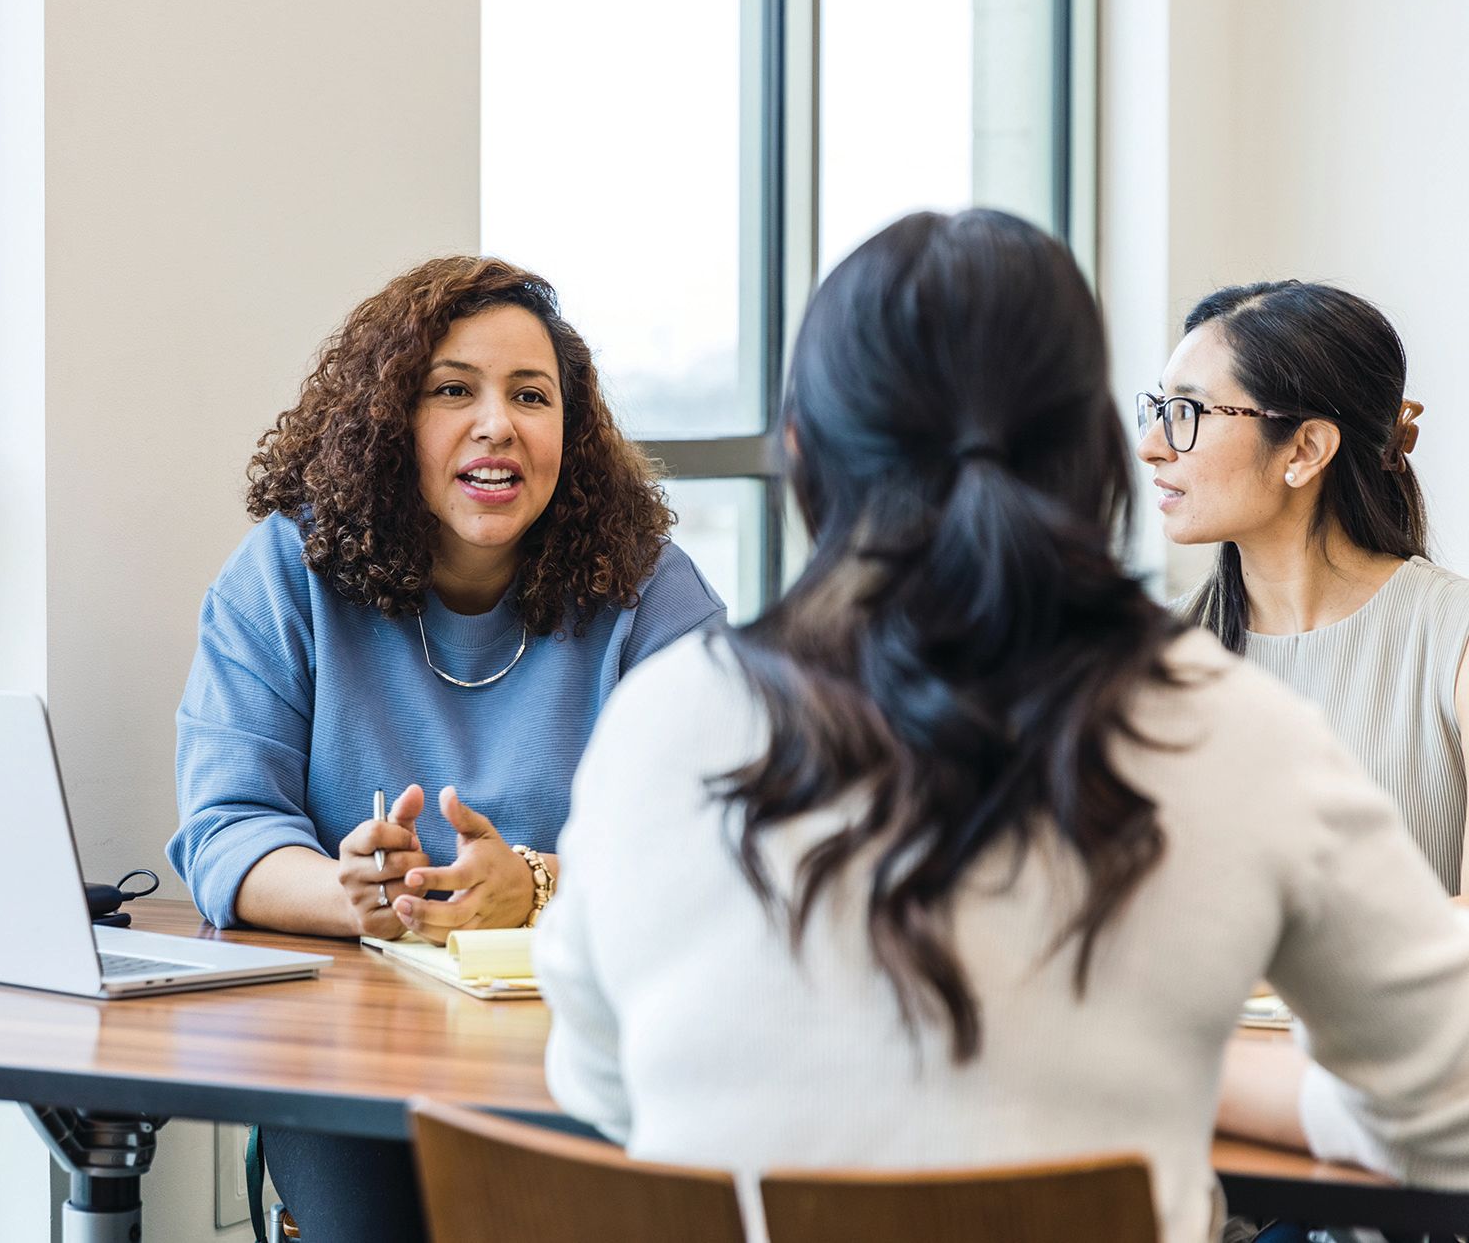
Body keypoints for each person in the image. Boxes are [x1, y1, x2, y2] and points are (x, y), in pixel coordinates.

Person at [534, 210, 1469, 1243]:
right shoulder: (1229, 728)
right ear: (1091, 453)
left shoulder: (660, 724)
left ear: (801, 450)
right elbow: (1452, 1110)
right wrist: (1203, 1076)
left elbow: (598, 1085)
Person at [169, 254, 726, 1242]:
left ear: (571, 431)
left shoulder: (651, 594)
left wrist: (537, 885)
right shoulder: (280, 577)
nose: (496, 423)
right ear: (390, 423)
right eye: (450, 391)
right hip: (348, 1058)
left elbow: (714, 848)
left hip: (585, 1046)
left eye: (530, 395)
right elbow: (224, 826)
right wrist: (348, 893)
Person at [1144, 281, 1469, 895]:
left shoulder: (1455, 641)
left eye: (1187, 412)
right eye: (1158, 410)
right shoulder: (1149, 657)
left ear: (1305, 448)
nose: (1151, 446)